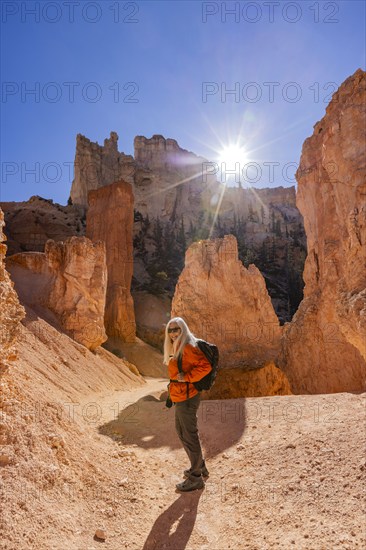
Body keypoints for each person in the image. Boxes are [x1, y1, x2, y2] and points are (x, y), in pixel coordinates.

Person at [164, 316, 212, 492]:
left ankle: (195, 478)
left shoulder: (188, 347)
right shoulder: (178, 347)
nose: (173, 333)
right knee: (182, 431)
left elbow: (205, 366)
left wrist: (188, 378)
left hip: (187, 397)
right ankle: (200, 466)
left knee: (188, 434)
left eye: (176, 329)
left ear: (183, 330)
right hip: (180, 396)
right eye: (170, 330)